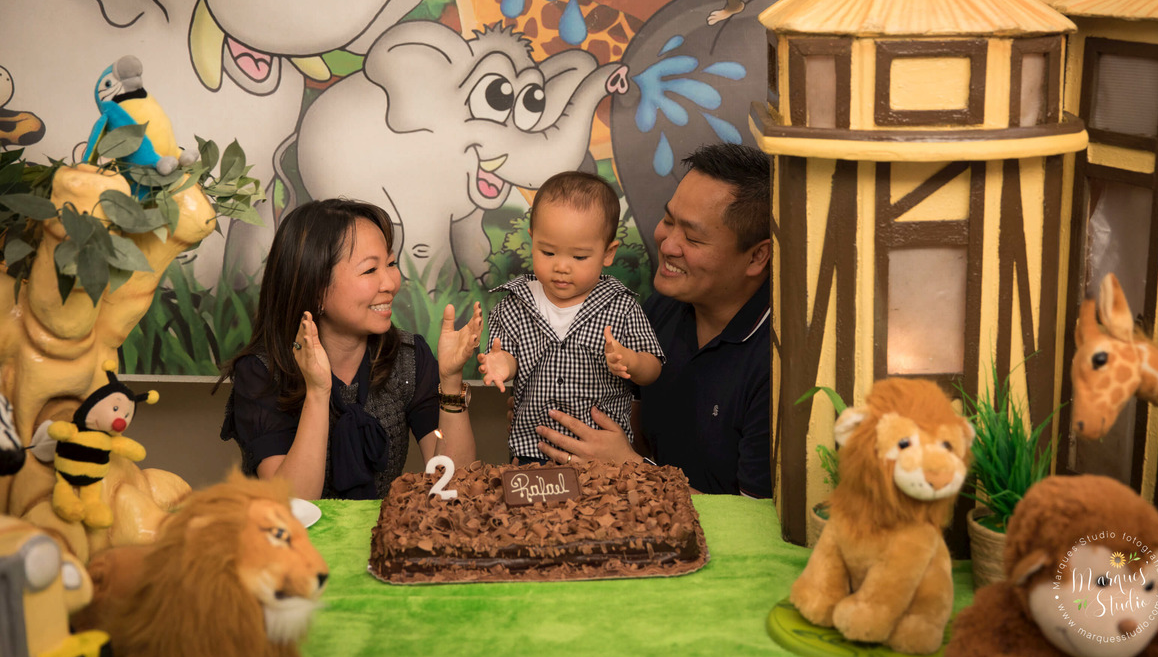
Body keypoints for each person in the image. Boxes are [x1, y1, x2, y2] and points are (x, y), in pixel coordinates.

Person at [535, 144, 772, 497]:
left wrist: (631, 470)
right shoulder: (662, 307)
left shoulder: (777, 365)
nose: (667, 243)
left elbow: (756, 521)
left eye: (692, 237)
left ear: (756, 256)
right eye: (668, 220)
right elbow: (638, 431)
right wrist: (561, 422)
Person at [219, 198, 482, 500]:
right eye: (370, 270)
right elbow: (290, 506)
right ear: (315, 288)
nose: (391, 282)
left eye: (392, 264)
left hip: (380, 541)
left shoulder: (408, 358)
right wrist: (318, 393)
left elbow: (454, 489)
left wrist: (450, 382)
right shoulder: (261, 372)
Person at [478, 171, 664, 464]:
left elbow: (653, 366)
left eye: (579, 257)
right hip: (532, 451)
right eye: (548, 252)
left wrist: (631, 361)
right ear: (532, 240)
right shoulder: (512, 305)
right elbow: (510, 357)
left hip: (603, 457)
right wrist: (502, 364)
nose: (562, 267)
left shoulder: (622, 306)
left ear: (607, 253)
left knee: (603, 510)